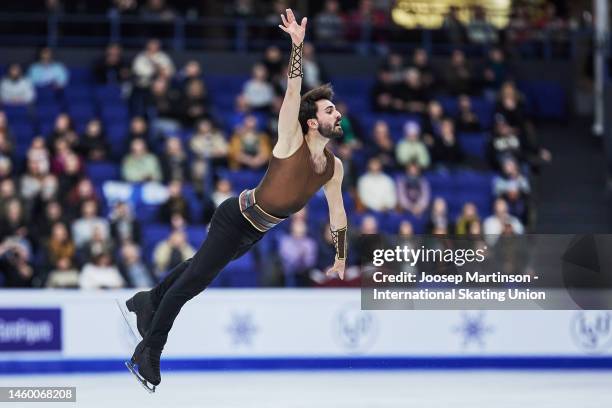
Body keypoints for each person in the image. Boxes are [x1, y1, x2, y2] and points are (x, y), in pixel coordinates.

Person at [123, 9, 348, 391]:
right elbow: (293, 90)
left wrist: (341, 256)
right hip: (237, 218)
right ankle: (148, 353)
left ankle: (148, 301)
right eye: (329, 110)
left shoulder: (334, 167)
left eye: (336, 109)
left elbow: (338, 212)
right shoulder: (290, 139)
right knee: (194, 281)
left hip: (255, 232)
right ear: (313, 122)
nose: (337, 113)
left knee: (197, 270)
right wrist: (297, 45)